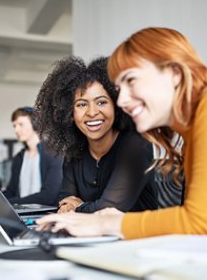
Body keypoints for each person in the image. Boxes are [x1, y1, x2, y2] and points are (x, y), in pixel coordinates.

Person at [36, 27, 207, 240]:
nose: (121, 100)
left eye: (131, 81)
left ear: (175, 73)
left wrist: (107, 222)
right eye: (120, 89)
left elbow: (201, 224)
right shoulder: (191, 133)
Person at [35, 56, 160, 214]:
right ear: (70, 112)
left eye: (101, 102)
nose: (92, 112)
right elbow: (65, 200)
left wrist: (79, 207)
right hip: (91, 236)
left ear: (117, 105)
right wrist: (70, 206)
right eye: (81, 104)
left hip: (137, 237)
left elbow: (110, 209)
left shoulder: (136, 145)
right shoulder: (75, 152)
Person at [3, 107, 63, 206]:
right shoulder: (18, 158)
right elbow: (11, 191)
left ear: (35, 124)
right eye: (14, 126)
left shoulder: (54, 154)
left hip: (44, 215)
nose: (16, 130)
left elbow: (48, 196)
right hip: (21, 213)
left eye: (21, 124)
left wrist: (10, 203)